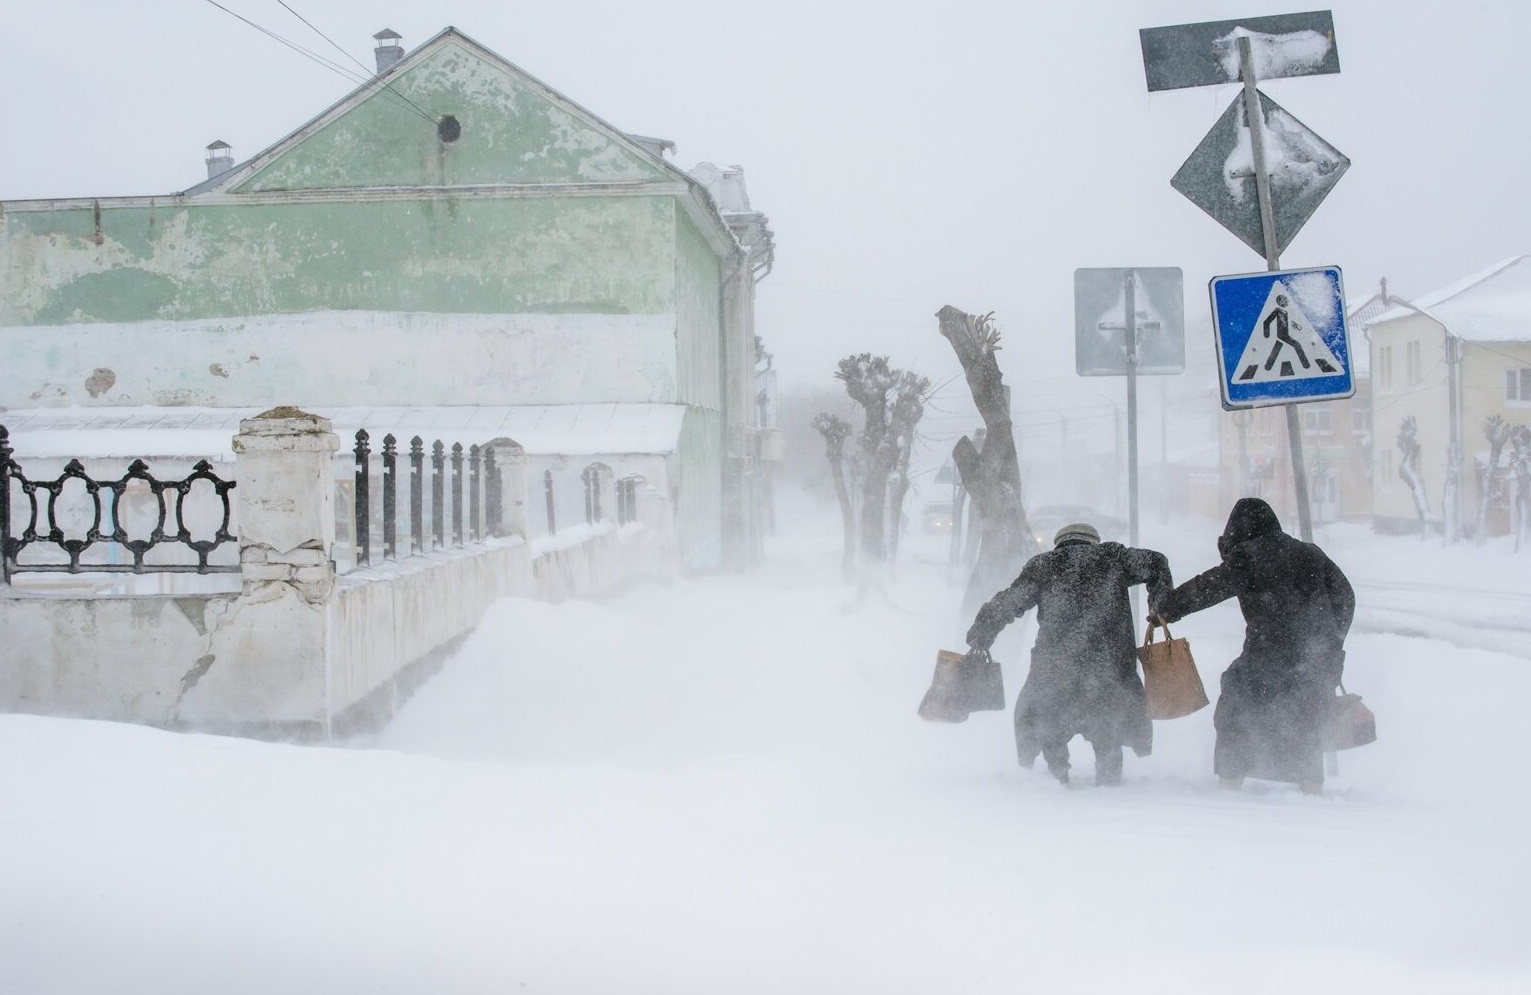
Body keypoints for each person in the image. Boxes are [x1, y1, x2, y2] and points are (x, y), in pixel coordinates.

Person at [1155, 498, 1354, 794]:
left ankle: (1231, 782)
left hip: (1269, 653)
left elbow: (1208, 587)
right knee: (1306, 717)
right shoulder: (1310, 553)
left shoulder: (1251, 556)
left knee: (1236, 705)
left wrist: (1168, 607)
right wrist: (1329, 640)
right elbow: (1345, 596)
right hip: (1316, 657)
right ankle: (1311, 788)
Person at [965, 522, 1173, 786]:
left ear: (1059, 543)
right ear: (1093, 542)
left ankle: (1059, 781)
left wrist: (981, 632)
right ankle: (1109, 788)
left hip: (1056, 668)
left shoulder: (1044, 565)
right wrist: (1160, 605)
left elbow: (1010, 601)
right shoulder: (1114, 557)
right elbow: (1156, 561)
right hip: (1108, 668)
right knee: (1107, 733)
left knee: (1048, 725)